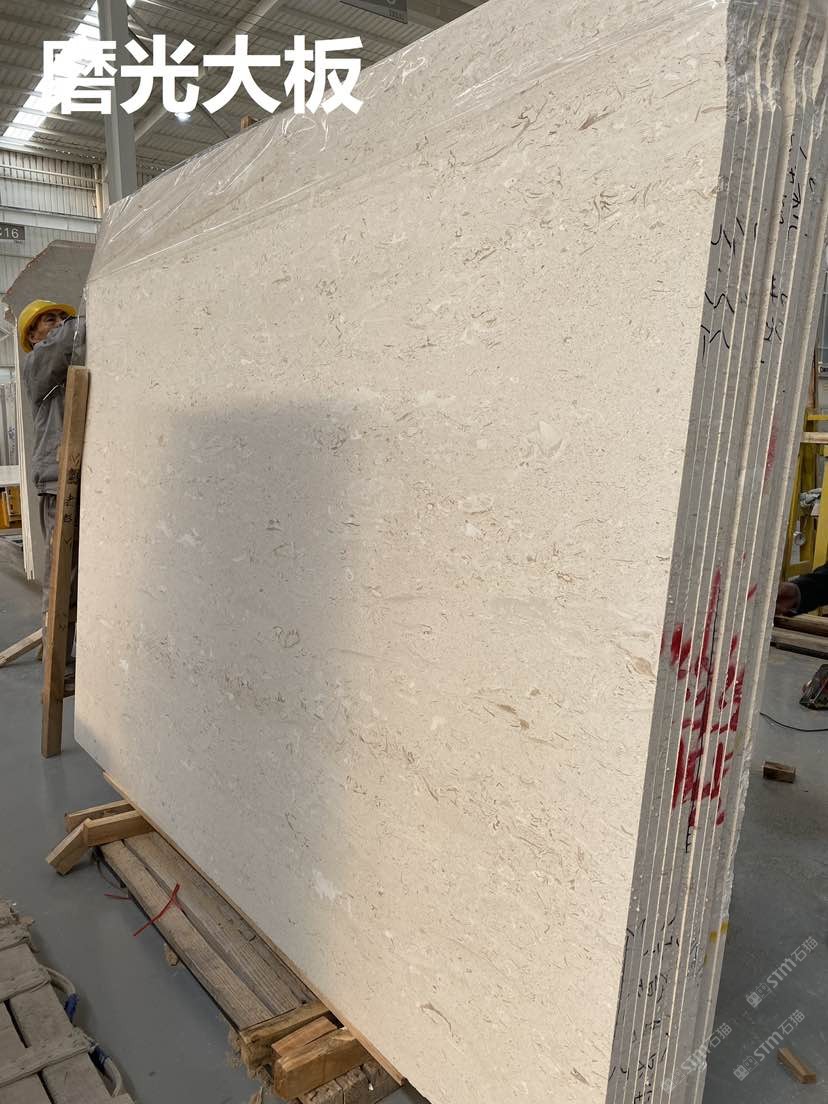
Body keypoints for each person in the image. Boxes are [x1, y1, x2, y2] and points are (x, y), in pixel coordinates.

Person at [19, 300, 86, 669]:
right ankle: (57, 660)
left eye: (62, 316)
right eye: (50, 319)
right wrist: (93, 308)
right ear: (33, 336)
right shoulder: (37, 363)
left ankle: (68, 649)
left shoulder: (69, 365)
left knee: (79, 571)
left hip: (80, 476)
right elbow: (68, 338)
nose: (59, 322)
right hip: (57, 480)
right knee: (62, 575)